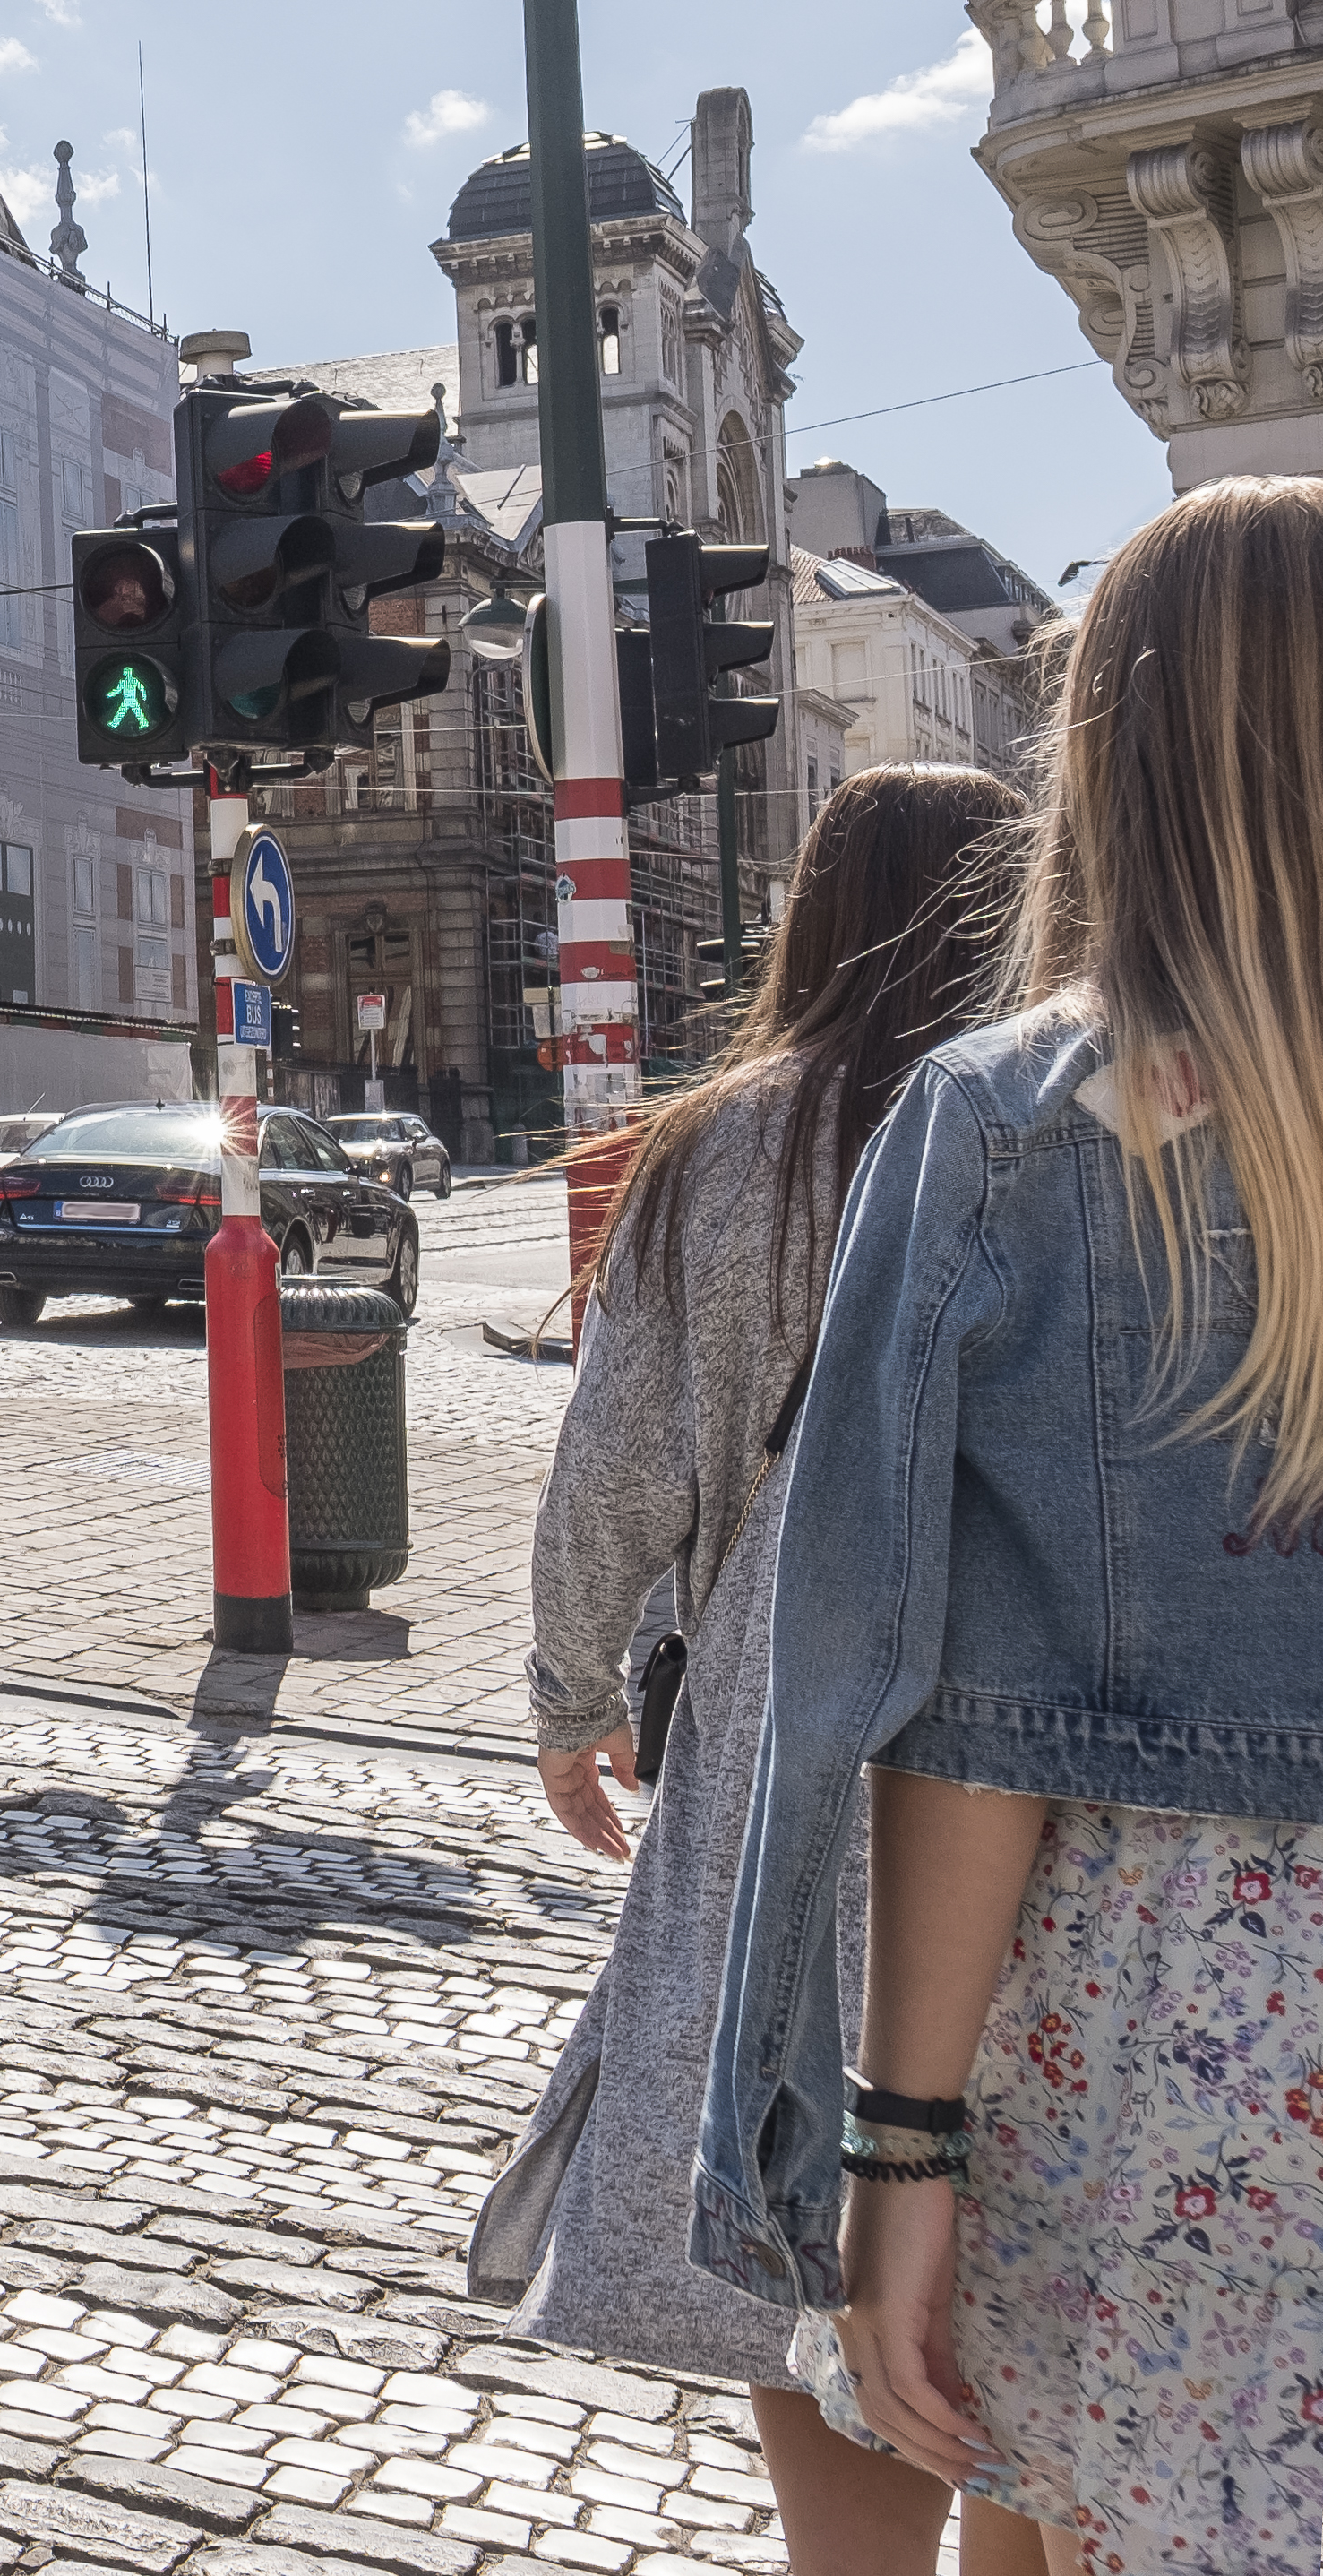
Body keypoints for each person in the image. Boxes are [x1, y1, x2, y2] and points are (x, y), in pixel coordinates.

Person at [700, 478, 1323, 2572]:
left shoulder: (1014, 1124)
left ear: (1106, 758)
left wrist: (885, 2158)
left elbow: (926, 1702)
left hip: (1163, 2041)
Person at [468, 763, 1028, 2576]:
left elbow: (611, 1478)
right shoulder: (1063, 1130)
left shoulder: (725, 1147)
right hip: (1035, 1823)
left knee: (822, 2282)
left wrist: (569, 1708)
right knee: (1039, 2404)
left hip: (790, 1794)